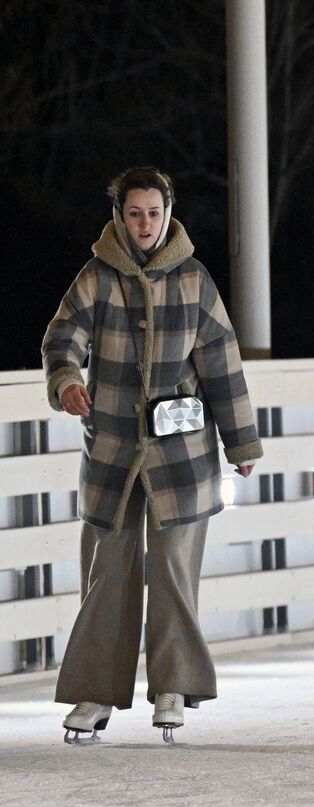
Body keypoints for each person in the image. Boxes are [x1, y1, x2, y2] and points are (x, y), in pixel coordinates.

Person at [43, 167, 263, 743]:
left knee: (172, 569)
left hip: (182, 455)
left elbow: (223, 363)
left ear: (169, 215)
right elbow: (62, 337)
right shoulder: (96, 278)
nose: (145, 224)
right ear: (119, 216)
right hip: (113, 450)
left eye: (154, 213)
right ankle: (95, 690)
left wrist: (240, 441)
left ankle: (173, 684)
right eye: (135, 213)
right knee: (108, 569)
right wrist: (67, 379)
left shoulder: (195, 281)